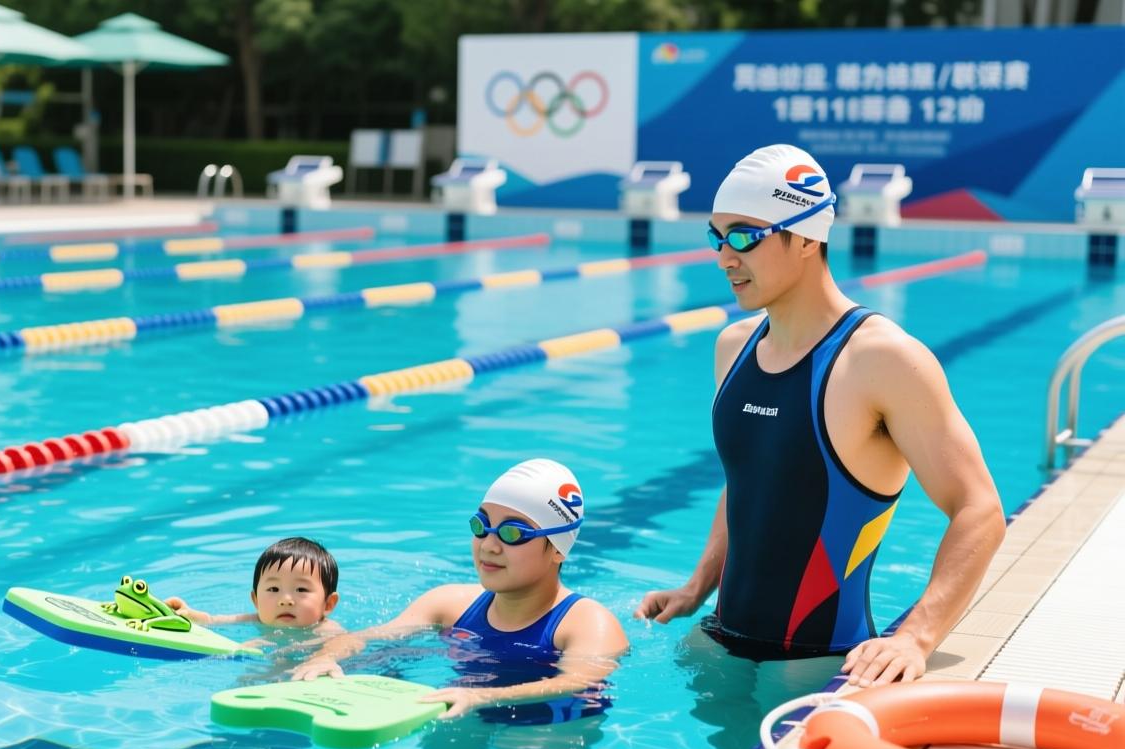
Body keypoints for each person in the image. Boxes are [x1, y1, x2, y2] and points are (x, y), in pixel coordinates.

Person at [635, 143, 1006, 687]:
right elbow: (750, 479)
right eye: (717, 237)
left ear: (807, 237)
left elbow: (980, 510)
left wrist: (916, 636)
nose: (724, 258)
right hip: (720, 641)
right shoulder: (734, 346)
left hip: (820, 663)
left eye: (744, 236)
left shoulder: (882, 359)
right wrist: (698, 586)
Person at [290, 458, 629, 720]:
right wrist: (326, 657)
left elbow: (573, 682)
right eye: (481, 526)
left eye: (513, 533)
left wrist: (480, 697)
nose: (489, 545)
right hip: (463, 705)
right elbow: (371, 636)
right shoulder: (450, 603)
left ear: (557, 548)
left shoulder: (588, 623)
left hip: (552, 724)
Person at [166, 536, 342, 635]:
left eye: (301, 589)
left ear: (328, 604)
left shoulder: (325, 629)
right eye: (273, 589)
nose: (285, 600)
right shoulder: (256, 619)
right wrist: (190, 615)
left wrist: (323, 659)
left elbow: (348, 644)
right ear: (256, 600)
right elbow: (215, 620)